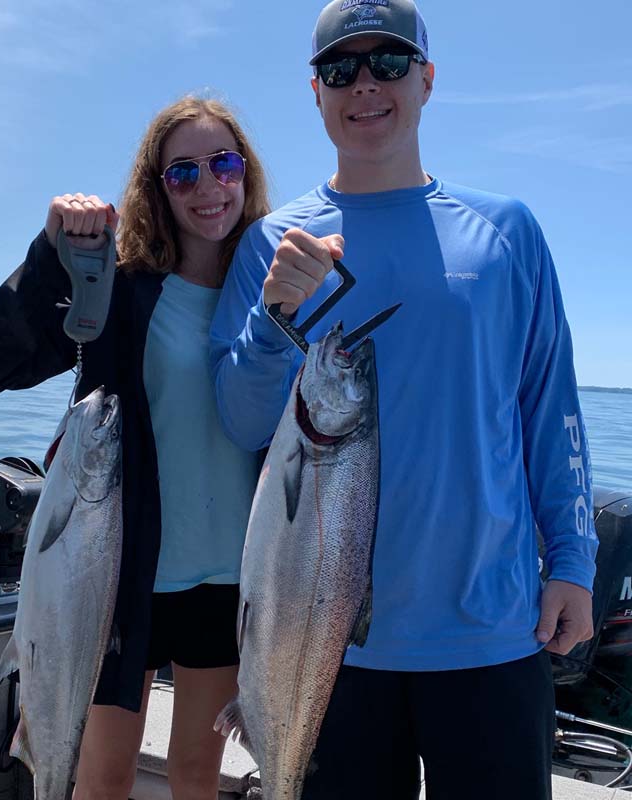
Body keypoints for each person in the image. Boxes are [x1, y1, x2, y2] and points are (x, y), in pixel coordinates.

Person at [209, 2, 598, 798]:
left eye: (388, 65)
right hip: (321, 647)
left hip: (492, 631)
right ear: (314, 91)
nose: (365, 87)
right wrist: (273, 319)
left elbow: (550, 410)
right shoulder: (271, 245)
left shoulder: (507, 232)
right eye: (341, 69)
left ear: (426, 79)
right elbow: (241, 421)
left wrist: (575, 562)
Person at [0, 96, 270, 800]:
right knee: (100, 779)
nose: (206, 186)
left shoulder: (270, 294)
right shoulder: (119, 288)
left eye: (223, 163)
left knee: (197, 775)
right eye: (181, 172)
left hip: (229, 580)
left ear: (245, 173)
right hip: (116, 577)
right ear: (155, 187)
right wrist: (49, 257)